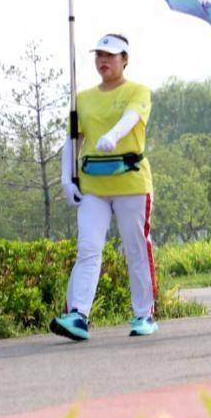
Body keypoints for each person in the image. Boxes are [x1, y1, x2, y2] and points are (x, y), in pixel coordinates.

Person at [50, 34, 158, 342]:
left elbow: (131, 117)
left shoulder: (138, 91)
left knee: (136, 247)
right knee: (88, 248)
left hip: (131, 182)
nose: (103, 61)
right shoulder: (82, 98)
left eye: (110, 55)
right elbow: (73, 140)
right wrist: (66, 177)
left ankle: (144, 313)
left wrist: (112, 135)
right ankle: (78, 315)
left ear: (125, 58)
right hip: (93, 185)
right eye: (99, 55)